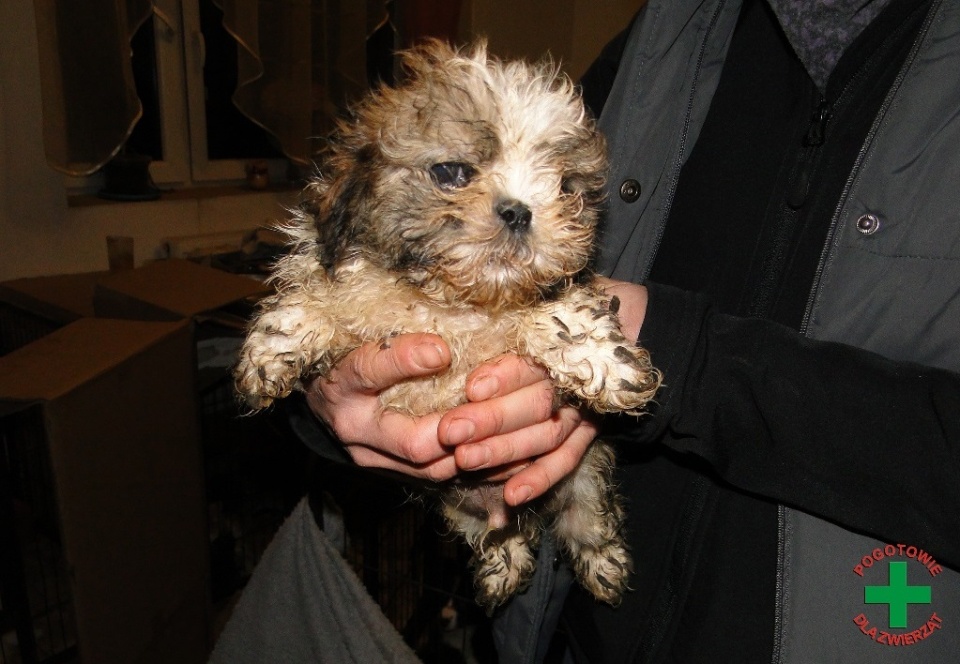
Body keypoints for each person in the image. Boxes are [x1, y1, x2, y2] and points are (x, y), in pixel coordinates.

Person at [216, 0, 960, 662]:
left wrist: (682, 356)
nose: (531, 203)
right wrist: (326, 401)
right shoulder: (669, 30)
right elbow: (371, 243)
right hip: (562, 635)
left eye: (565, 188)